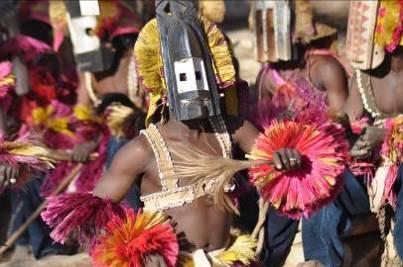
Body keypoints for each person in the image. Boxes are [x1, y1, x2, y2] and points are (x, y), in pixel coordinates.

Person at [43, 1, 302, 266]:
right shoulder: (141, 150)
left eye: (201, 75)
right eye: (183, 78)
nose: (194, 87)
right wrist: (138, 246)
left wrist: (285, 156)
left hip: (229, 258)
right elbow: (91, 217)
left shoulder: (232, 128)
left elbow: (273, 157)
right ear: (164, 87)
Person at [302, 1, 403, 266]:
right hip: (370, 175)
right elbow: (347, 120)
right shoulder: (365, 74)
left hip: (399, 174)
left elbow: (382, 135)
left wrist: (383, 136)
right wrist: (347, 138)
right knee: (321, 175)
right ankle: (320, 260)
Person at [251, 1, 349, 266]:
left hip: (326, 167)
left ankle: (320, 260)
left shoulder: (324, 67)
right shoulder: (267, 75)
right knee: (267, 205)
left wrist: (307, 134)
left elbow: (343, 125)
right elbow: (257, 131)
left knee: (322, 195)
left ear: (296, 28)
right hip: (282, 165)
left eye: (276, 25)